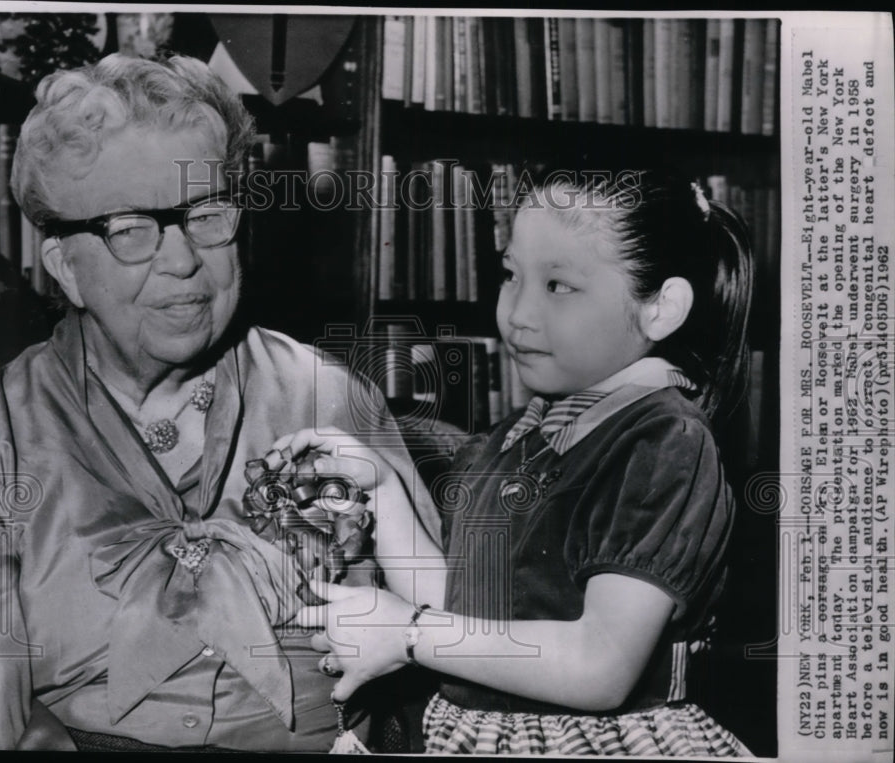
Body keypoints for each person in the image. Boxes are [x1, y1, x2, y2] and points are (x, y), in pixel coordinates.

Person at [0, 53, 439, 751]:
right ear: (64, 265)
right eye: (130, 228)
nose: (182, 259)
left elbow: (456, 649)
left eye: (205, 213)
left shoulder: (330, 397)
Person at [274, 171, 755, 756]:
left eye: (558, 286)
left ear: (661, 309)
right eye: (510, 275)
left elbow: (601, 666)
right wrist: (384, 493)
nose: (518, 312)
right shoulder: (518, 437)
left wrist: (408, 634)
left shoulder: (663, 442)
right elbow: (463, 607)